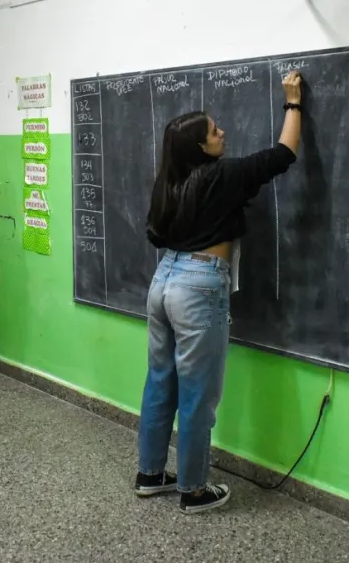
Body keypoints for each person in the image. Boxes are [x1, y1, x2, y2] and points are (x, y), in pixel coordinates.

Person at [134, 71, 304, 514]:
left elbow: (156, 236)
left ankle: (150, 474)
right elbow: (284, 153)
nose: (222, 131)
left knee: (160, 382)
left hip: (164, 280)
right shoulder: (223, 175)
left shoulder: (169, 182)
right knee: (197, 394)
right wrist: (293, 103)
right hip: (198, 287)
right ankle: (193, 490)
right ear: (200, 147)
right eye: (214, 131)